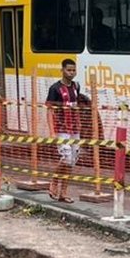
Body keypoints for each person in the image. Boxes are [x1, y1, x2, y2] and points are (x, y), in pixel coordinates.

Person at [45, 58, 91, 203]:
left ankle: (63, 192)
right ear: (62, 70)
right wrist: (52, 131)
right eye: (68, 70)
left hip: (75, 128)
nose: (71, 73)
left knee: (72, 161)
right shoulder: (55, 89)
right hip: (61, 128)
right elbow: (49, 110)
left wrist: (80, 124)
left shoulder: (76, 86)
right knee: (66, 158)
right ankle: (53, 182)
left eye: (73, 70)